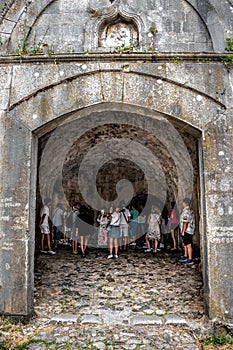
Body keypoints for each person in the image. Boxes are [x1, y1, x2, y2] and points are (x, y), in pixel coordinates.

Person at [179, 198, 195, 266]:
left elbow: (185, 222)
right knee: (185, 243)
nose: (182, 204)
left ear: (185, 203)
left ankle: (190, 259)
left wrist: (183, 231)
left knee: (188, 244)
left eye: (183, 203)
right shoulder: (190, 210)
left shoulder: (186, 212)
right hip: (189, 229)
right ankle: (186, 256)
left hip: (187, 230)